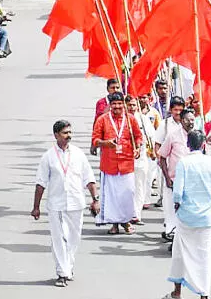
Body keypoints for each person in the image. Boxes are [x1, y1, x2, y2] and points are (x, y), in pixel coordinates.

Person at [32, 120, 98, 287]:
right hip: (56, 204)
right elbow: (40, 183)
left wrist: (95, 199)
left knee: (73, 239)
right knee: (58, 239)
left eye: (70, 132)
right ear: (56, 135)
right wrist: (36, 207)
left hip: (76, 202)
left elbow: (89, 178)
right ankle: (62, 272)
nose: (69, 136)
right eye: (65, 133)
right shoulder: (48, 156)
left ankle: (68, 266)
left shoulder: (78, 154)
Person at [163, 130, 211, 299]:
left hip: (187, 216)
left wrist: (178, 206)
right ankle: (204, 295)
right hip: (206, 216)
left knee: (179, 253)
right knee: (204, 256)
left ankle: (178, 292)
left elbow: (178, 192)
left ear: (188, 144)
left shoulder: (184, 163)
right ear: (203, 145)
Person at [91, 91, 143, 235]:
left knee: (128, 193)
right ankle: (114, 224)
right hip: (110, 164)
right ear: (110, 105)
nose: (117, 107)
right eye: (114, 104)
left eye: (120, 103)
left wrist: (137, 148)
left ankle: (126, 222)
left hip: (127, 163)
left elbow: (138, 137)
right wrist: (106, 143)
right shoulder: (102, 120)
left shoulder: (131, 119)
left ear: (124, 104)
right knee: (112, 196)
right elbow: (95, 140)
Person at [159, 108, 196, 244]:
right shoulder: (172, 136)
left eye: (192, 120)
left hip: (191, 182)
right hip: (174, 180)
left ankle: (184, 238)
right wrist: (167, 178)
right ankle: (172, 235)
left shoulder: (197, 136)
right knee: (172, 210)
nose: (190, 123)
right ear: (181, 121)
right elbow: (162, 157)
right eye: (187, 120)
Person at [126, 95, 156, 224]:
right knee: (128, 188)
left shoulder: (143, 119)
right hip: (125, 160)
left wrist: (152, 149)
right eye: (129, 105)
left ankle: (136, 215)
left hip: (141, 159)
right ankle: (126, 214)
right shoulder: (122, 120)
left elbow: (152, 137)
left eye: (134, 105)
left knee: (140, 187)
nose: (132, 108)